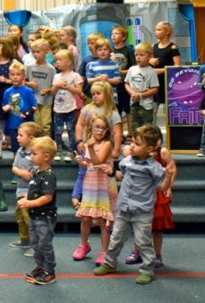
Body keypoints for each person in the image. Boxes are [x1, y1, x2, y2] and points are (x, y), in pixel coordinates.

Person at [93, 125, 174, 284]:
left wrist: (169, 177)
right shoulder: (126, 161)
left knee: (143, 241)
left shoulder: (154, 168)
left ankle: (147, 270)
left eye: (137, 144)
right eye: (131, 142)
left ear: (149, 148)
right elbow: (121, 176)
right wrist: (110, 171)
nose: (131, 146)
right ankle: (109, 263)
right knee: (115, 238)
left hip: (142, 211)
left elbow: (162, 188)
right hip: (124, 209)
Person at [125, 131, 178, 268]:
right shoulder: (139, 152)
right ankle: (136, 251)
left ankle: (157, 254)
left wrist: (169, 186)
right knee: (139, 224)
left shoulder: (163, 152)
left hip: (158, 193)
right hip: (142, 192)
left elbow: (172, 167)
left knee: (157, 227)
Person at [72, 114, 117, 266]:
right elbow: (88, 164)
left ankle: (105, 250)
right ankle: (84, 244)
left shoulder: (106, 144)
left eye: (104, 128)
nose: (100, 131)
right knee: (85, 218)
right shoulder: (87, 144)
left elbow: (98, 162)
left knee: (103, 221)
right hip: (90, 184)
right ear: (91, 128)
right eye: (97, 127)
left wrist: (90, 147)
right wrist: (81, 161)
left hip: (103, 186)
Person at [18, 136, 59, 285]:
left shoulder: (49, 176)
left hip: (45, 218)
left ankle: (50, 271)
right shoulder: (36, 172)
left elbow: (47, 197)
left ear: (46, 157)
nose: (31, 156)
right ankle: (40, 267)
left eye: (35, 154)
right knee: (35, 243)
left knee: (44, 244)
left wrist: (29, 202)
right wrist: (27, 195)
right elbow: (37, 191)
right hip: (35, 216)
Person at [9, 122, 41, 252]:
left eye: (21, 135)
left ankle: (36, 245)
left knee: (30, 220)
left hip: (31, 193)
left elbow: (36, 174)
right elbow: (14, 168)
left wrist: (22, 173)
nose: (17, 137)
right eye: (17, 134)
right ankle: (24, 240)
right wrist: (21, 173)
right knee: (20, 218)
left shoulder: (36, 154)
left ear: (31, 138)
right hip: (20, 190)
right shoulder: (19, 151)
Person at [149, 21, 181, 129]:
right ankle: (152, 133)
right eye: (155, 29)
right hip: (156, 84)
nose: (156, 32)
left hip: (168, 83)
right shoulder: (154, 47)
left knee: (169, 112)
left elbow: (177, 66)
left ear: (166, 32)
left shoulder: (173, 48)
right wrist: (151, 61)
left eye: (159, 29)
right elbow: (149, 61)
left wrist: (162, 70)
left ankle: (171, 135)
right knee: (153, 110)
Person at [123, 42, 160, 134]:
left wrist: (140, 95)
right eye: (136, 55)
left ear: (150, 56)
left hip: (146, 106)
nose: (138, 57)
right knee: (134, 125)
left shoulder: (151, 72)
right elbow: (126, 83)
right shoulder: (132, 69)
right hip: (133, 103)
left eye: (142, 55)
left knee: (147, 127)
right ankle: (136, 142)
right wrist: (131, 92)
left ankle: (147, 144)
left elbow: (155, 89)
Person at [1, 61, 37, 154]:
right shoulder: (7, 92)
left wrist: (27, 112)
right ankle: (16, 166)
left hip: (27, 125)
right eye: (12, 74)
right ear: (9, 75)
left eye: (18, 74)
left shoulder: (28, 91)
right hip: (14, 125)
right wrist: (9, 106)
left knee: (29, 149)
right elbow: (4, 108)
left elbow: (34, 106)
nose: (15, 77)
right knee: (16, 150)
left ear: (23, 76)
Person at [25, 39, 55, 137]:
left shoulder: (51, 68)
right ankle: (37, 144)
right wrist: (29, 84)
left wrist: (48, 90)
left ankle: (46, 143)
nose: (35, 54)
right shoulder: (29, 67)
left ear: (46, 52)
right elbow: (23, 81)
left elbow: (54, 84)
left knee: (46, 124)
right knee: (36, 124)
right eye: (33, 52)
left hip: (46, 101)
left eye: (38, 52)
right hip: (33, 100)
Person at [110, 26, 136, 136]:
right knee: (117, 111)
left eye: (117, 33)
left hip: (126, 86)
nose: (113, 35)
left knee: (128, 111)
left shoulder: (128, 51)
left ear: (124, 37)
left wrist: (122, 72)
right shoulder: (110, 52)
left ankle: (130, 133)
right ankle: (119, 135)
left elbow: (134, 68)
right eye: (112, 34)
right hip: (114, 87)